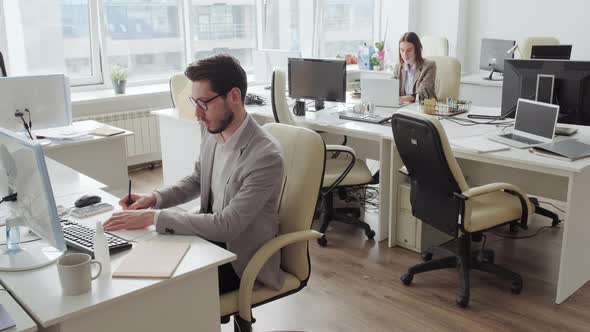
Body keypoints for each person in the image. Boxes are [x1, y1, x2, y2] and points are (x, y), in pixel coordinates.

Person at [103, 54, 286, 294]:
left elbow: (227, 225)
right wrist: (155, 199)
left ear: (234, 96)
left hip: (240, 260)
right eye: (195, 103)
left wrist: (153, 218)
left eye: (204, 103)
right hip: (208, 239)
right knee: (136, 263)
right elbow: (198, 179)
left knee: (158, 289)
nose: (198, 114)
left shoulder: (265, 156)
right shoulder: (213, 132)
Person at [394, 32, 437, 102]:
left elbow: (423, 92)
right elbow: (392, 88)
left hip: (424, 107)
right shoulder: (398, 67)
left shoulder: (429, 66)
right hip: (403, 107)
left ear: (417, 50)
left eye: (409, 50)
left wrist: (407, 98)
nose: (405, 55)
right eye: (402, 50)